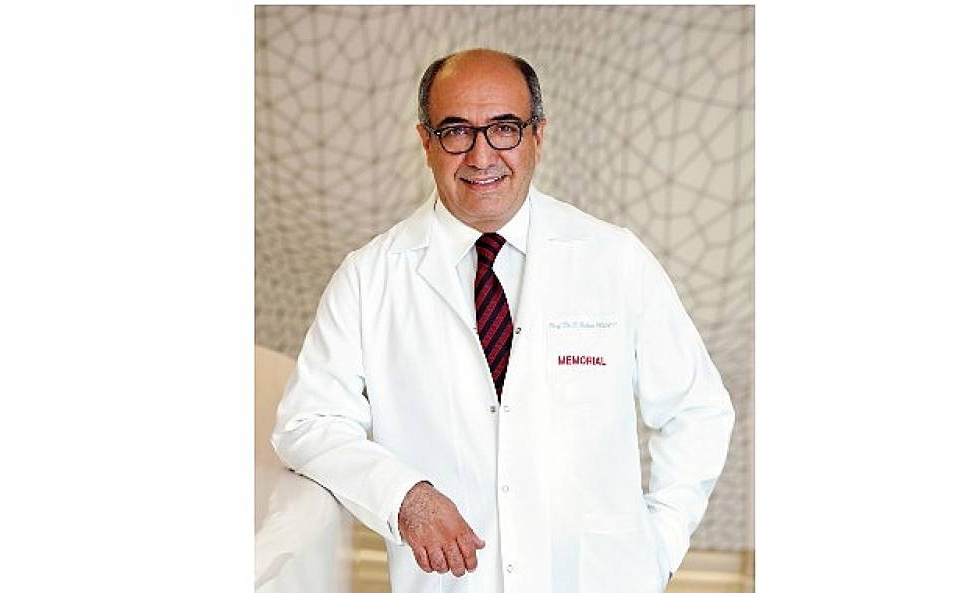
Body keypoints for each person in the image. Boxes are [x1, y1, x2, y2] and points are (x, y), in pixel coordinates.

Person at [271, 48, 735, 593]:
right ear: (426, 142)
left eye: (504, 129)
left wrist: (658, 549)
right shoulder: (369, 278)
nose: (481, 155)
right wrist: (404, 497)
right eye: (456, 131)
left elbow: (696, 410)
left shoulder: (614, 259)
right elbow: (307, 423)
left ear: (538, 136)